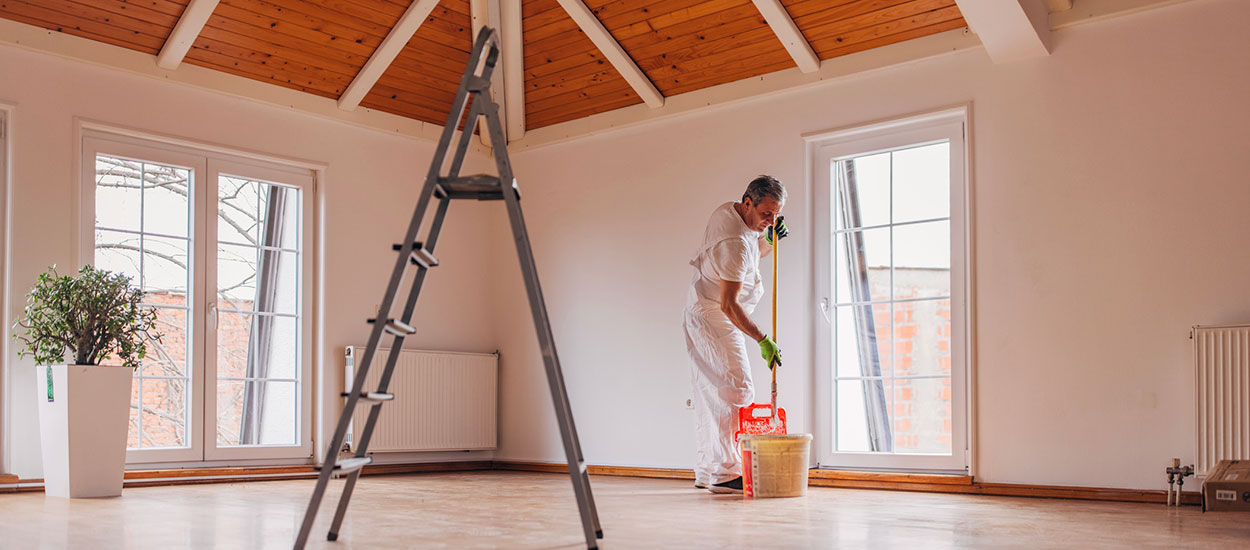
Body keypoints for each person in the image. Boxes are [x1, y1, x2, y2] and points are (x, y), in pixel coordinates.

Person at [683, 175, 789, 494]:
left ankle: (710, 470)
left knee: (712, 392)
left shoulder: (732, 215)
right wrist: (762, 339)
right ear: (748, 203)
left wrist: (769, 240)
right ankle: (726, 473)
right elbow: (730, 305)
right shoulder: (731, 243)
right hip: (714, 314)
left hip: (707, 307)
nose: (771, 220)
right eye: (766, 214)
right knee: (736, 389)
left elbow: (753, 253)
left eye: (777, 214)